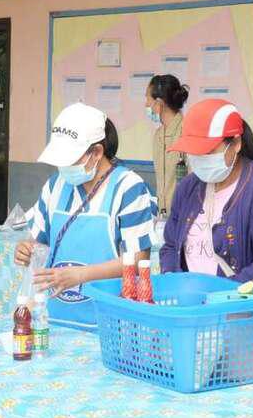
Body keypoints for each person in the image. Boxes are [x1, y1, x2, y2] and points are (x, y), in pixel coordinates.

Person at [159, 99, 253, 371]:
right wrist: (174, 284)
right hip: (196, 326)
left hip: (251, 329)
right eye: (193, 153)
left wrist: (221, 294)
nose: (199, 160)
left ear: (235, 144)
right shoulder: (188, 188)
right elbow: (170, 245)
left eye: (207, 151)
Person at [15, 102, 156, 330]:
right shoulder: (55, 186)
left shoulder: (128, 188)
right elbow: (38, 242)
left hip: (109, 325)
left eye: (69, 158)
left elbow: (138, 259)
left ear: (97, 152)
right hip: (55, 321)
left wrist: (82, 275)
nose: (63, 166)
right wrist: (26, 249)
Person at [144, 74, 189, 213]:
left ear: (159, 103)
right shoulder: (158, 136)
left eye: (148, 99)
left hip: (184, 215)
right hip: (162, 215)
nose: (146, 105)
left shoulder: (187, 132)